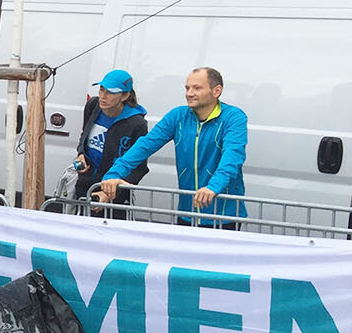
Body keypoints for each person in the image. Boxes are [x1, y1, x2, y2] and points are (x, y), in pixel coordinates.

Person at [95, 66, 247, 226]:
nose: (189, 93)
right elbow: (144, 146)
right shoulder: (178, 116)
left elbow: (232, 157)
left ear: (216, 91)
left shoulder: (233, 117)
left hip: (224, 216)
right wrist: (112, 175)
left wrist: (212, 187)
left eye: (197, 88)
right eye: (187, 88)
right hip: (187, 213)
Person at [75, 69, 150, 207]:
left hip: (114, 195)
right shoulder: (93, 105)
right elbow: (84, 135)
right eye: (101, 89)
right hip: (84, 186)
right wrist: (81, 154)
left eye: (110, 92)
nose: (103, 96)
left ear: (125, 96)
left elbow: (139, 168)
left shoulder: (137, 123)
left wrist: (110, 193)